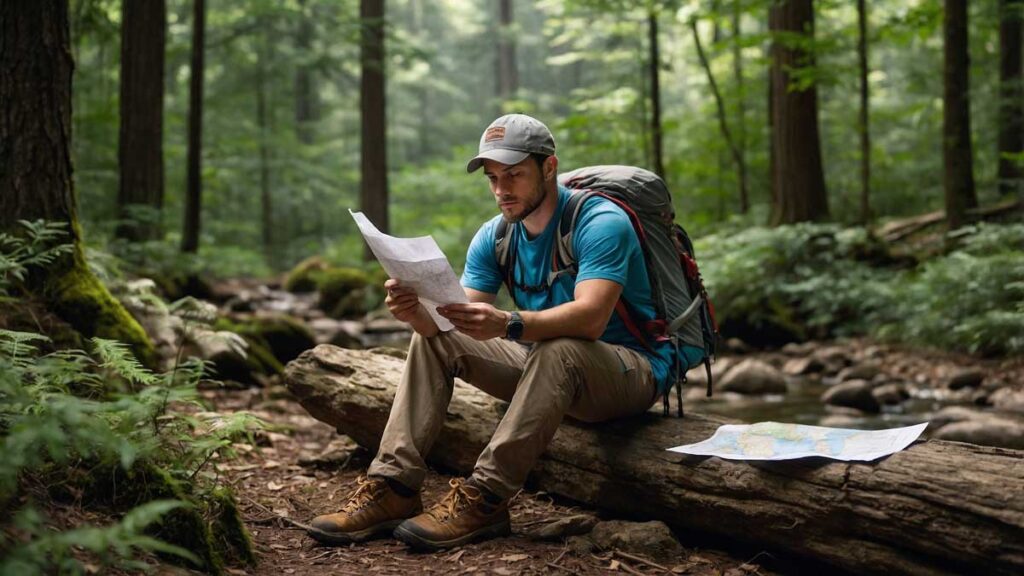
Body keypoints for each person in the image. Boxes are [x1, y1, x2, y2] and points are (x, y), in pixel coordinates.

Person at [307, 114, 680, 551]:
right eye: (493, 178)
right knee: (434, 337)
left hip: (630, 371)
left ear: (549, 167)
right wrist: (416, 314)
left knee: (560, 348)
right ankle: (393, 487)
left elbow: (591, 318)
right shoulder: (496, 235)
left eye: (515, 175)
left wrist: (508, 322)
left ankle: (485, 497)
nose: (502, 189)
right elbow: (455, 324)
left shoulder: (600, 221)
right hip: (546, 364)